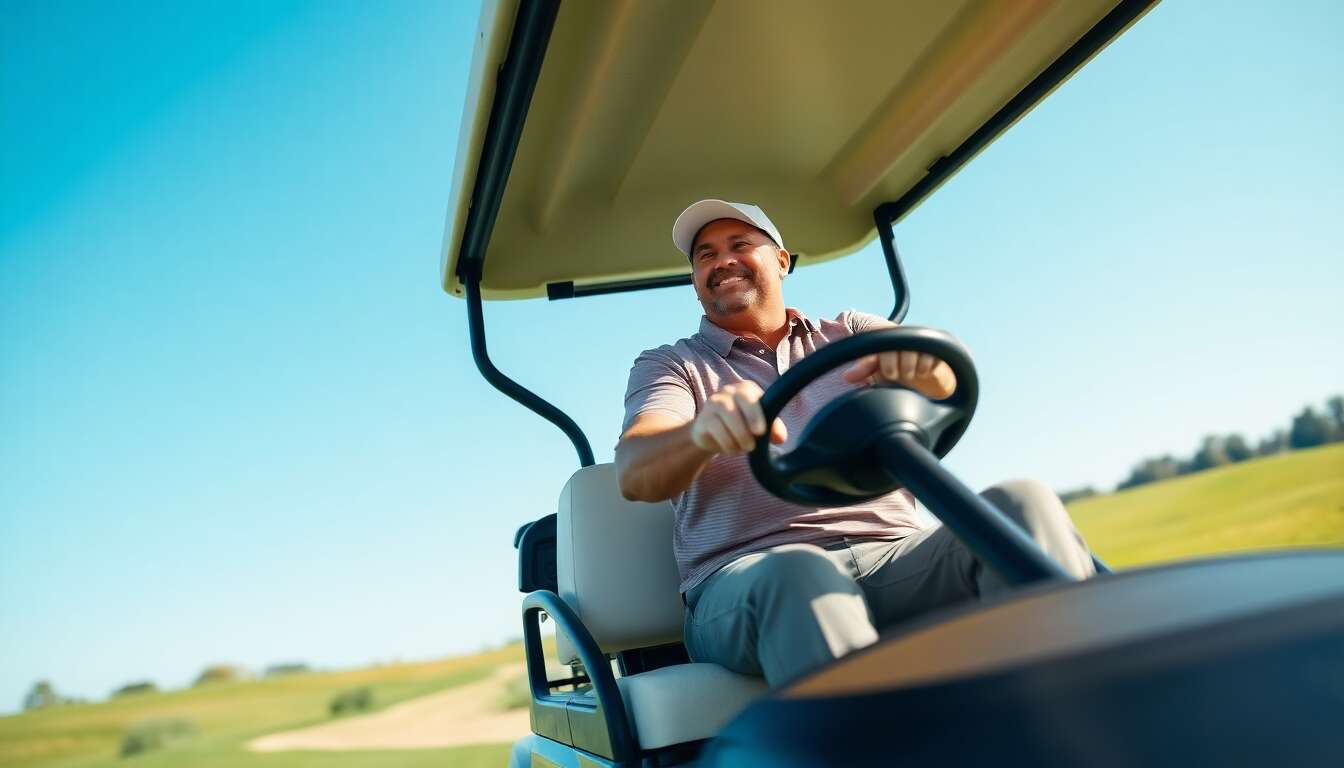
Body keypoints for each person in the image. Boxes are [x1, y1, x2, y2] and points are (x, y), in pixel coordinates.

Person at [614, 199, 1095, 688]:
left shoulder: (851, 332)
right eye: (705, 256)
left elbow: (941, 372)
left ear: (782, 260)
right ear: (696, 281)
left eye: (740, 245)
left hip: (892, 555)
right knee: (799, 572)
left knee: (1023, 503)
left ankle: (1088, 718)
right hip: (749, 580)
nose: (721, 262)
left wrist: (925, 370)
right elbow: (636, 471)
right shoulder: (672, 365)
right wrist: (700, 433)